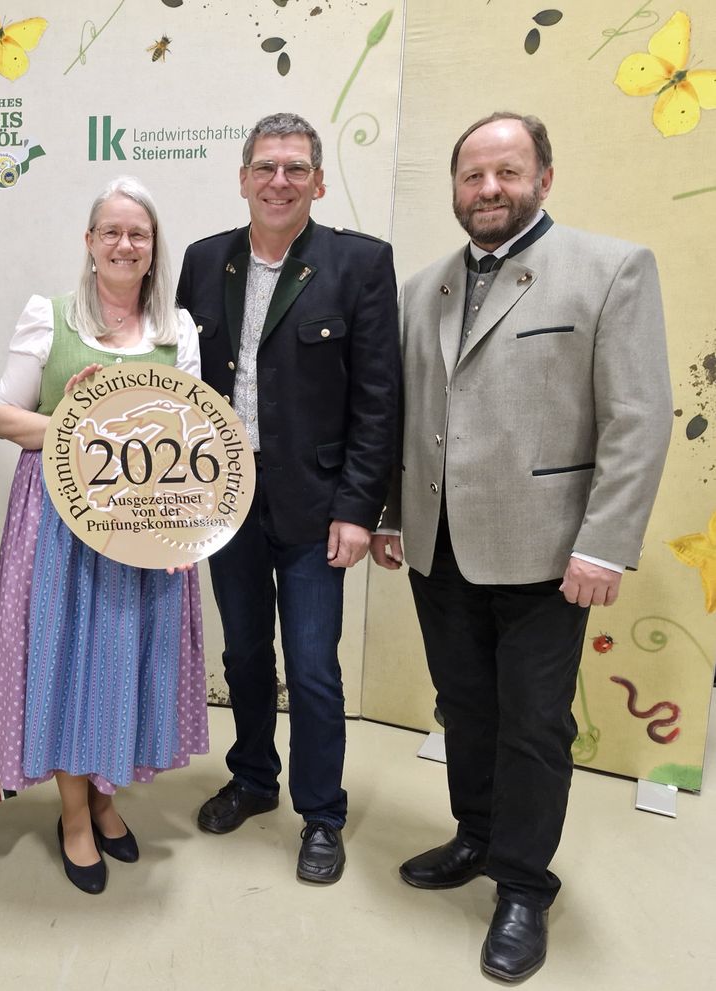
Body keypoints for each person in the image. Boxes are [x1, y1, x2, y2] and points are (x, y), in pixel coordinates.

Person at [369, 111, 671, 981]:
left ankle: (524, 885)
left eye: (506, 172)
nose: (488, 189)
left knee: (535, 723)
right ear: (456, 187)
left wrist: (605, 544)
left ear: (544, 175)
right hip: (439, 547)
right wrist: (390, 514)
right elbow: (402, 417)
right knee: (464, 705)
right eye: (473, 175)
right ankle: (476, 834)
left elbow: (639, 419)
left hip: (550, 553)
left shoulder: (611, 269)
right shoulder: (422, 287)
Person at [176, 112, 399, 883]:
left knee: (310, 666)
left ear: (319, 182)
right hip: (225, 501)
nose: (280, 181)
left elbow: (378, 398)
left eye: (296, 168)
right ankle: (253, 776)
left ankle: (322, 814)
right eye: (266, 167)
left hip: (316, 504)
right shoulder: (205, 261)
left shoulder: (359, 263)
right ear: (243, 178)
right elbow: (180, 380)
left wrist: (359, 509)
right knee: (242, 653)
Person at [0, 176, 209, 895]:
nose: (124, 244)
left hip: (144, 529)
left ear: (153, 247)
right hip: (59, 524)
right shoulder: (49, 316)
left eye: (137, 233)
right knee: (64, 663)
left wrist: (185, 534)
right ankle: (75, 815)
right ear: (89, 243)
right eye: (110, 231)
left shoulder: (177, 329)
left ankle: (107, 796)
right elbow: (4, 416)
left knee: (122, 663)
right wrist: (80, 423)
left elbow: (193, 438)